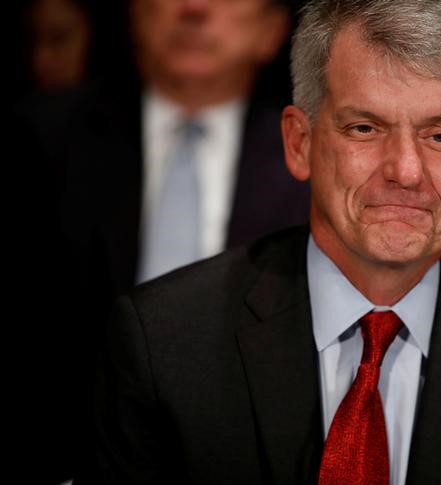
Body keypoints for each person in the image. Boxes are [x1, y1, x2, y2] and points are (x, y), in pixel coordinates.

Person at [86, 1, 441, 483]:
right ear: (300, 143)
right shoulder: (166, 343)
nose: (406, 171)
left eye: (440, 136)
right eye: (365, 128)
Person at [11, 0, 309, 483]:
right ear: (134, 13)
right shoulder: (42, 139)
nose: (194, 8)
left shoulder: (315, 161)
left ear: (272, 30)